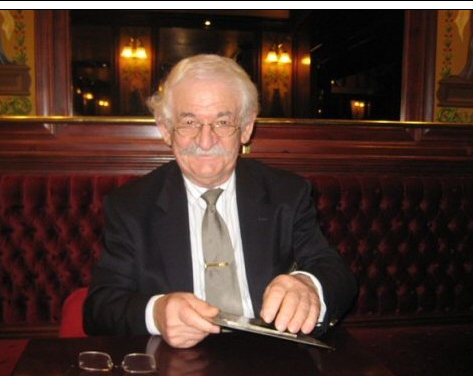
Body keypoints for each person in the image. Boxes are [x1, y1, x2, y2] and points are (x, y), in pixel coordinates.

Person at [83, 54, 357, 348]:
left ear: (246, 128)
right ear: (165, 130)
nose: (205, 141)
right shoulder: (131, 206)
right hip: (175, 361)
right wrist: (157, 313)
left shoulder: (287, 193)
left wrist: (308, 286)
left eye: (223, 122)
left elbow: (335, 274)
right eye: (189, 122)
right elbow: (99, 309)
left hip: (271, 358)